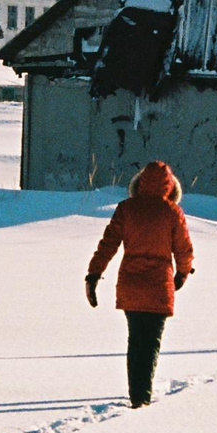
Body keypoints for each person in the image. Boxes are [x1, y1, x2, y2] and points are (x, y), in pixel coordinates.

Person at [86, 160, 195, 407]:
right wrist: (182, 274)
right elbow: (184, 249)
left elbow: (108, 245)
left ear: (139, 184)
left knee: (135, 340)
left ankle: (136, 393)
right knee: (150, 343)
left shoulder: (126, 209)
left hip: (131, 285)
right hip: (159, 287)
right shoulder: (172, 212)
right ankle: (141, 399)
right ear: (171, 188)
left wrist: (93, 276)